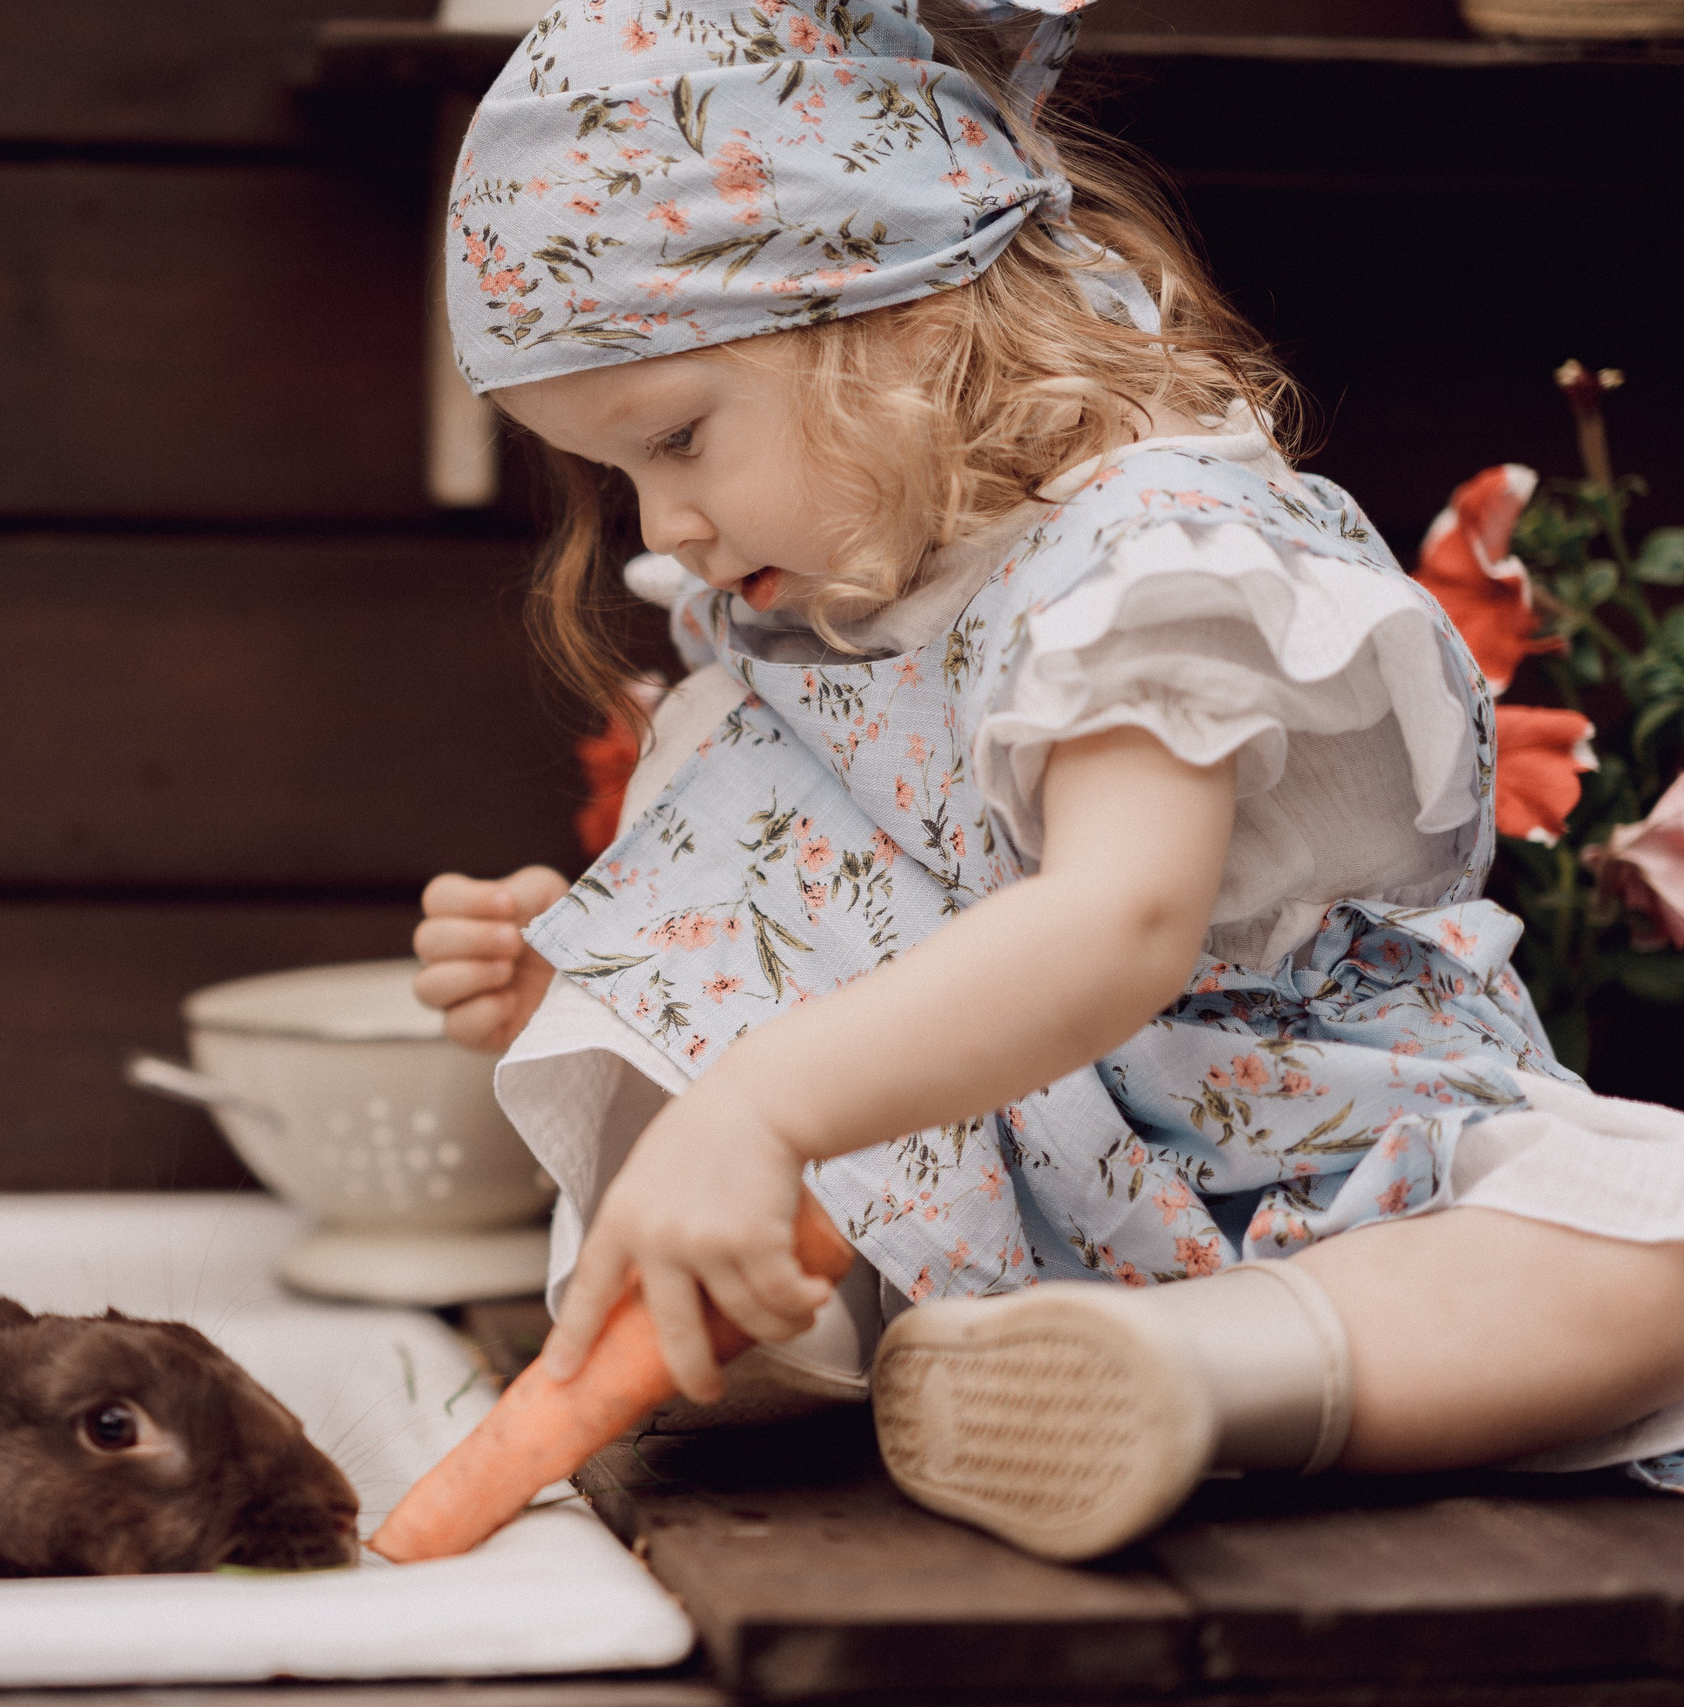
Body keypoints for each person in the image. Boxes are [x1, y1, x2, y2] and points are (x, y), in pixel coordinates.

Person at [411, 0, 1684, 1560]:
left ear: (900, 320)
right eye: (618, 476)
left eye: (676, 437)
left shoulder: (1140, 562)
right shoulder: (818, 626)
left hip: (1316, 1143)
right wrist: (606, 976)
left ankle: (1184, 1373)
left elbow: (1119, 922)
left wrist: (759, 1100)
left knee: (1647, 1236)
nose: (656, 525)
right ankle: (1041, 1365)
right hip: (976, 1193)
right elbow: (827, 908)